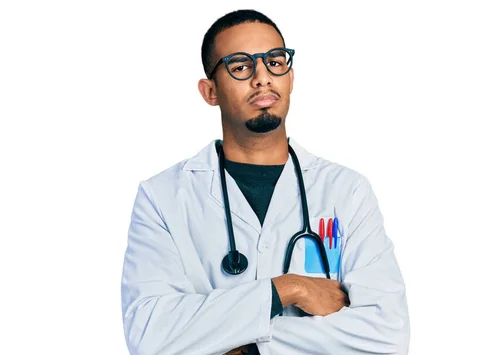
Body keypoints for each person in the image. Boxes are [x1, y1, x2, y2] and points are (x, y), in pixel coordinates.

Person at [120, 9, 410, 355]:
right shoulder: (162, 197)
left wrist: (245, 347)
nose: (262, 77)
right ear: (210, 91)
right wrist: (288, 289)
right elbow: (150, 334)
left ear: (290, 77)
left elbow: (387, 334)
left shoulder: (346, 191)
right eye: (240, 66)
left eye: (275, 61)